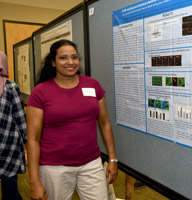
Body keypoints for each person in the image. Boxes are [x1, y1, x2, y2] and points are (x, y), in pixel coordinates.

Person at [26, 39, 118, 200]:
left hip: (91, 163)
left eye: (74, 57)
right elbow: (33, 139)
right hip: (54, 167)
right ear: (53, 62)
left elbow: (104, 123)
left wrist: (112, 159)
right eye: (63, 58)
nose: (70, 62)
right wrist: (34, 181)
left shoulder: (92, 85)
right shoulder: (40, 92)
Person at [0, 51, 27, 200]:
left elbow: (19, 115)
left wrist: (27, 140)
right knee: (10, 183)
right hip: (9, 143)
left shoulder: (10, 87)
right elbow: (20, 116)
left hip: (9, 145)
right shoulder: (10, 86)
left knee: (10, 185)